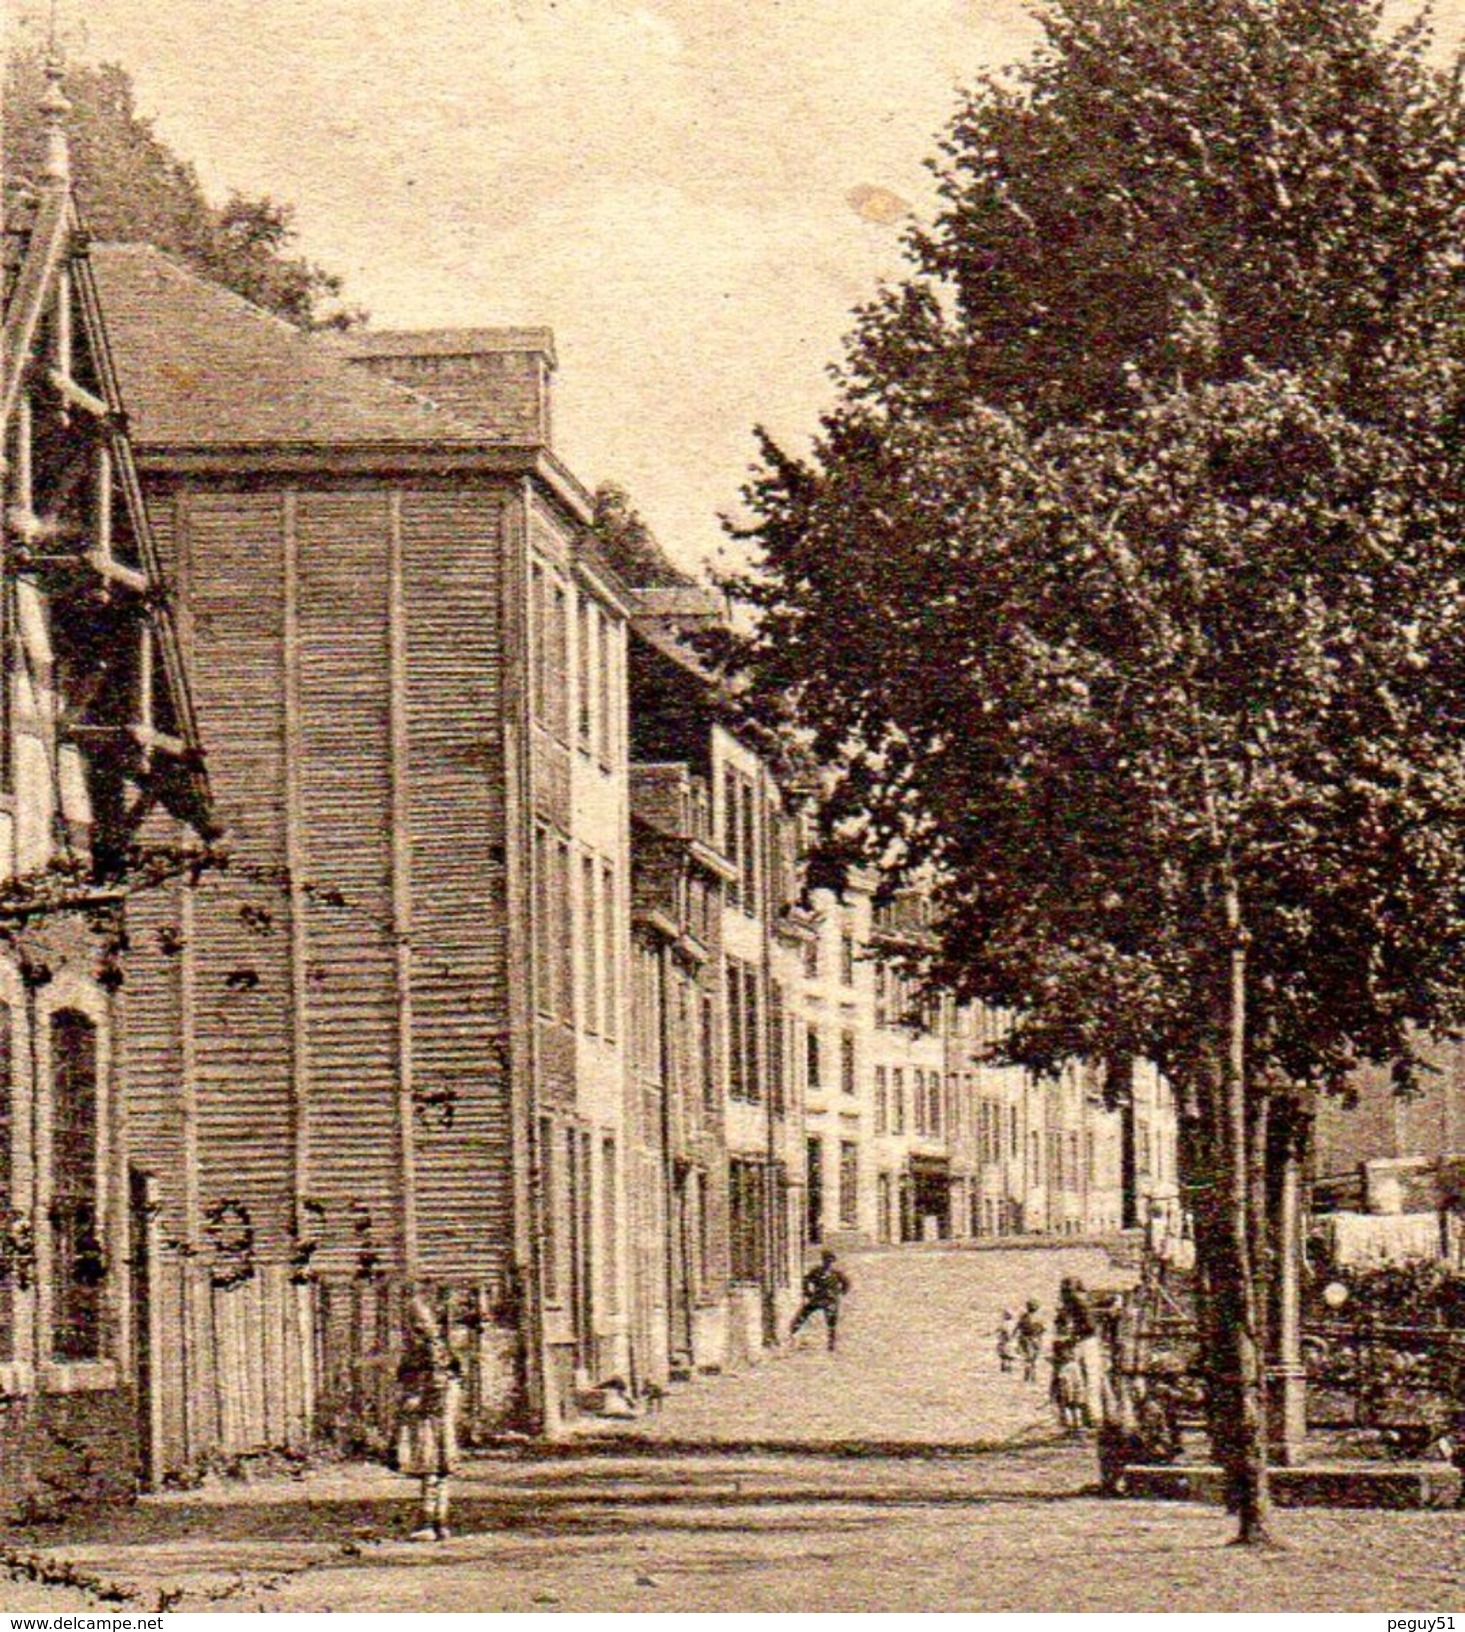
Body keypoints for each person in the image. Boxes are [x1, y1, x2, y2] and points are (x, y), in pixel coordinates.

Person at [395, 1287, 465, 1541]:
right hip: (438, 1416)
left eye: (422, 1321)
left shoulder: (430, 1350)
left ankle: (429, 1522)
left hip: (430, 1417)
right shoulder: (438, 1348)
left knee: (431, 1468)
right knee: (437, 1471)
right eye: (414, 1322)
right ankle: (439, 1520)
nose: (417, 1327)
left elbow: (438, 1382)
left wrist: (417, 1400)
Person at [790, 1249, 851, 1351]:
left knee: (831, 1321)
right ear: (823, 1260)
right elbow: (806, 1280)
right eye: (826, 1260)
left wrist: (840, 1293)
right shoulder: (816, 1272)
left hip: (830, 1300)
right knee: (802, 1315)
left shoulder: (836, 1274)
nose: (828, 1263)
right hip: (817, 1298)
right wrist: (807, 1293)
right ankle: (793, 1333)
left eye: (830, 1260)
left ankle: (831, 1344)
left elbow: (846, 1283)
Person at [1016, 1299, 1045, 1383]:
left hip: (1026, 1339)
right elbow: (1042, 1330)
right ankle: (1032, 1377)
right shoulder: (1038, 1318)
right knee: (1033, 1360)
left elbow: (1018, 1327)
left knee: (1028, 1359)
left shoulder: (1024, 1317)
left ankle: (1028, 1377)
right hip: (1035, 1339)